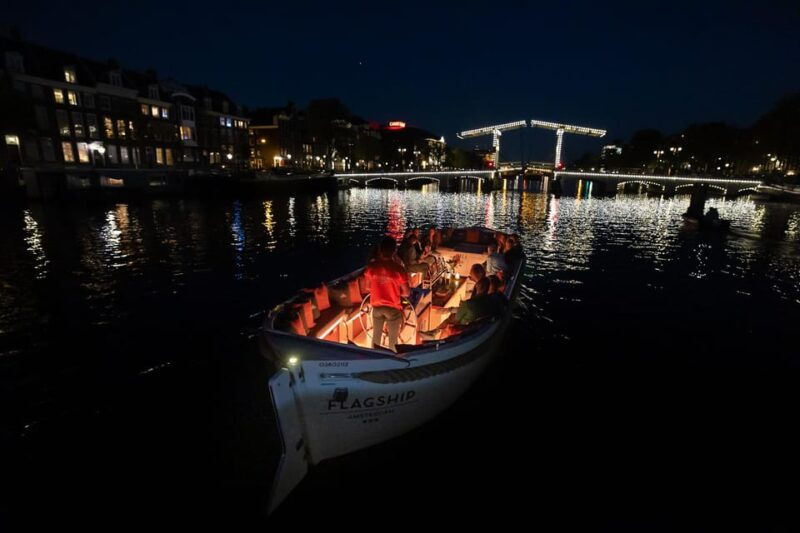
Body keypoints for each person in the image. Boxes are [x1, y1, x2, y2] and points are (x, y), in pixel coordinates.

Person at [364, 236, 410, 353]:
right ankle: (392, 362)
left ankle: (373, 360)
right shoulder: (399, 269)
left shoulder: (371, 267)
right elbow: (407, 292)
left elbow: (367, 287)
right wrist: (395, 291)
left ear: (380, 250)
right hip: (393, 309)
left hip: (377, 308)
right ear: (394, 251)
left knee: (375, 338)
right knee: (393, 342)